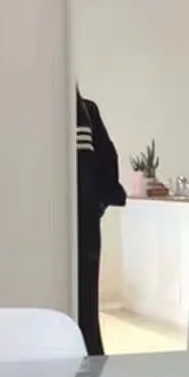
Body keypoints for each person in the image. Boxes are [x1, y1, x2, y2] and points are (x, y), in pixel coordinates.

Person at [76, 88, 126, 356]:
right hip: (84, 223)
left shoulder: (84, 111)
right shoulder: (84, 110)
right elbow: (108, 165)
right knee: (84, 300)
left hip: (79, 222)